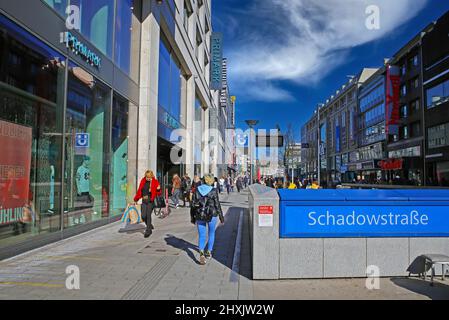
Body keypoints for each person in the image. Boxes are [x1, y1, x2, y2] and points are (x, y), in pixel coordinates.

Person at [191, 174, 225, 265]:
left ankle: (201, 253)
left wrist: (192, 218)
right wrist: (221, 217)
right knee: (211, 233)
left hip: (200, 214)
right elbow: (217, 204)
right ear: (211, 181)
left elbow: (193, 204)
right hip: (212, 214)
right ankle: (209, 252)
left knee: (202, 235)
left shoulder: (197, 189)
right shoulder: (213, 191)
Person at [134, 170, 161, 238]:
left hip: (150, 201)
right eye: (146, 177)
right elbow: (140, 190)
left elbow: (159, 193)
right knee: (143, 216)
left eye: (149, 177)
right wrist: (136, 199)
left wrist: (158, 189)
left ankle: (148, 230)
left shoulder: (155, 182)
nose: (147, 178)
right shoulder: (143, 181)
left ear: (151, 176)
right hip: (144, 200)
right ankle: (149, 225)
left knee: (148, 215)